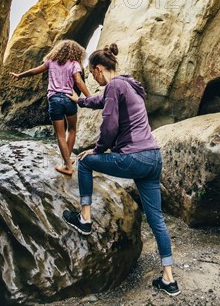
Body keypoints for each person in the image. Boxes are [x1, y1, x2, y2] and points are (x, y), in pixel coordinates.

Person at [63, 44, 181, 297]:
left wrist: (98, 149)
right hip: (153, 159)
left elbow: (110, 124)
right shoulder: (128, 84)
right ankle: (169, 279)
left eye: (92, 75)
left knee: (84, 162)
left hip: (135, 157)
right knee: (157, 219)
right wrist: (80, 100)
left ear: (97, 70)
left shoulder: (114, 86)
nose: (93, 80)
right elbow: (99, 100)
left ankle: (84, 219)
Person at [10, 39, 91, 175]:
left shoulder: (51, 62)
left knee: (60, 134)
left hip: (54, 99)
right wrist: (89, 96)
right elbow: (78, 80)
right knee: (72, 130)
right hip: (69, 98)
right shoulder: (75, 63)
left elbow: (35, 71)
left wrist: (19, 75)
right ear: (76, 53)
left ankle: (67, 164)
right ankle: (68, 162)